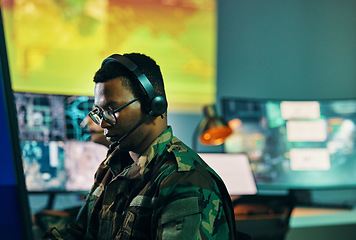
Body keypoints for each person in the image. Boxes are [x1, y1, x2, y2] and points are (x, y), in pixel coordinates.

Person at [44, 53, 239, 239]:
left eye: (111, 110)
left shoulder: (184, 180)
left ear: (153, 105)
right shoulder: (111, 167)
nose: (102, 123)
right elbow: (81, 232)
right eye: (99, 112)